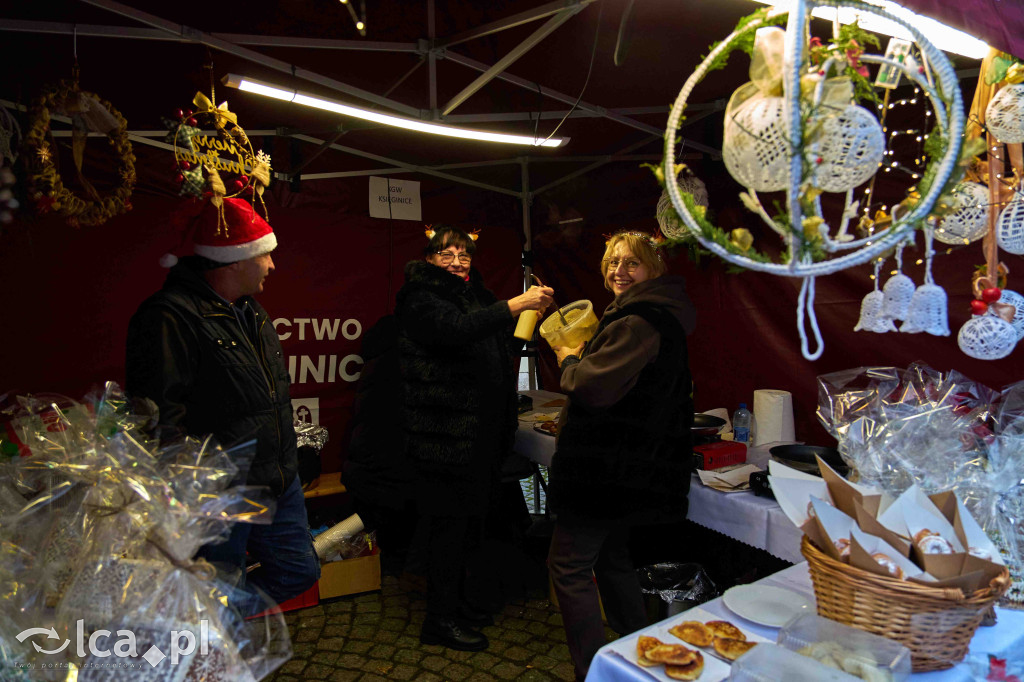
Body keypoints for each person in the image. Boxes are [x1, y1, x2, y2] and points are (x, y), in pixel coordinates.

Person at [349, 225, 552, 652]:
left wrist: (530, 315)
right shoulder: (421, 297)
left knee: (470, 530)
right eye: (447, 254)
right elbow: (455, 330)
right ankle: (439, 620)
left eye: (465, 254)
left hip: (480, 437)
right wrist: (513, 303)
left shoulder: (474, 293)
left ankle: (460, 604)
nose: (458, 261)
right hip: (442, 440)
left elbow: (497, 341)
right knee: (447, 532)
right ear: (429, 259)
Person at [125, 197, 319, 617]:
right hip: (219, 494)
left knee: (298, 570)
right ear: (235, 261)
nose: (272, 266)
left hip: (279, 483)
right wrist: (184, 494)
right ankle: (211, 646)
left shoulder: (253, 313)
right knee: (216, 587)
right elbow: (157, 416)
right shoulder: (169, 316)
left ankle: (217, 623)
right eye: (266, 255)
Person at [546, 231, 696, 681]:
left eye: (632, 263)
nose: (619, 271)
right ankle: (639, 656)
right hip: (628, 468)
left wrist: (570, 359)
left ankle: (594, 671)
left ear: (654, 269)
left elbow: (590, 386)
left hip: (604, 471)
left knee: (568, 566)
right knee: (611, 560)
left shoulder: (638, 320)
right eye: (613, 262)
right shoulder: (651, 314)